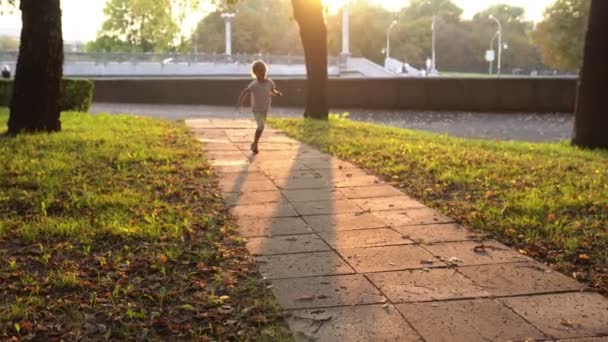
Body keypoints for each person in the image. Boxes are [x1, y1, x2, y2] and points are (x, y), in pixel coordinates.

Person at [237, 60, 282, 154]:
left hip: (265, 108)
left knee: (261, 127)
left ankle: (254, 143)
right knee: (261, 126)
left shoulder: (269, 82)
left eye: (262, 73)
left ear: (265, 72)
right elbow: (246, 91)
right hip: (256, 109)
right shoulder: (254, 84)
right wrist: (240, 101)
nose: (260, 76)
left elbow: (272, 90)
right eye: (258, 75)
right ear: (255, 74)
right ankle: (255, 144)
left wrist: (277, 93)